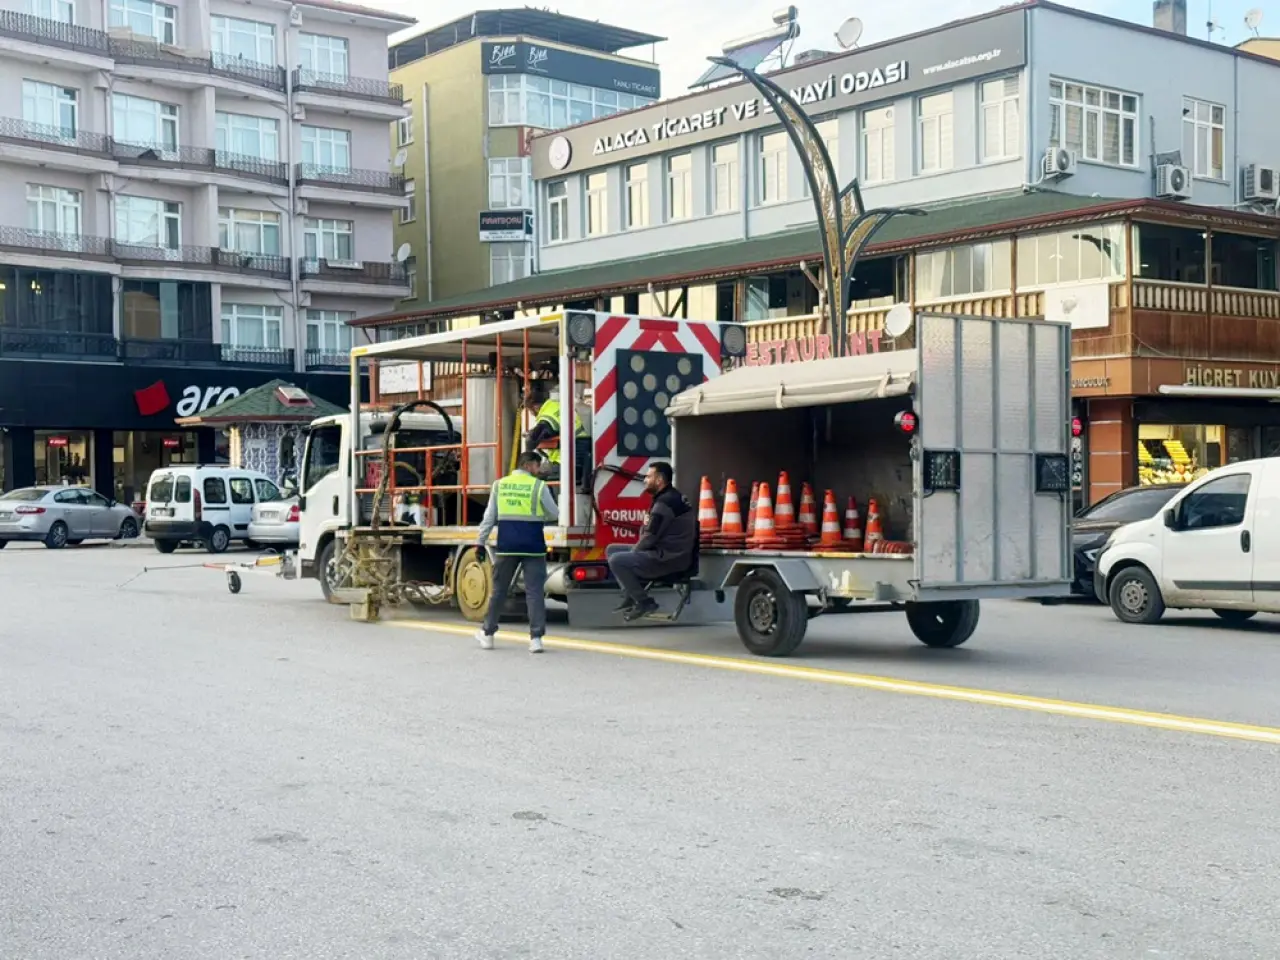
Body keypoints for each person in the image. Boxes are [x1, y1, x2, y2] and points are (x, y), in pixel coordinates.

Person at [475, 451, 559, 653]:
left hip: (507, 545)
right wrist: (539, 517)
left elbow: (489, 517)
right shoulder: (539, 486)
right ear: (529, 465)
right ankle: (536, 639)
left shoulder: (500, 485)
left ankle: (488, 635)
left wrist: (480, 542)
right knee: (534, 592)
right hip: (533, 546)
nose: (539, 471)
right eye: (538, 466)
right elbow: (554, 513)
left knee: (499, 591)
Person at [606, 461, 697, 621]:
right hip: (671, 552)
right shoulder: (672, 497)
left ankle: (644, 602)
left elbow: (650, 537)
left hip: (668, 558)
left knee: (617, 560)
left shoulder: (664, 503)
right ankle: (631, 595)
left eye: (648, 477)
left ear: (659, 480)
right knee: (612, 549)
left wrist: (634, 553)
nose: (644, 480)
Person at [524, 382, 590, 490]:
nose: (532, 414)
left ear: (535, 407)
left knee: (538, 482)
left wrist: (526, 461)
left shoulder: (548, 414)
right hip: (578, 455)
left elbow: (532, 439)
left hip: (569, 460)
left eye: (531, 411)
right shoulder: (556, 406)